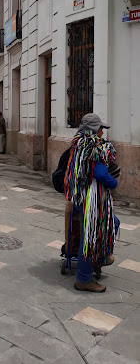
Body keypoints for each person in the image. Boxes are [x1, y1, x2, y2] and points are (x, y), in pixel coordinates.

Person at [64, 113, 119, 293]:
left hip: (82, 197)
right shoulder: (91, 146)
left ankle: (101, 257)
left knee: (102, 229)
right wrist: (114, 183)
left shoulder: (78, 143)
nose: (103, 132)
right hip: (91, 200)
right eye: (101, 128)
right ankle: (84, 278)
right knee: (91, 236)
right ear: (95, 129)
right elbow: (100, 174)